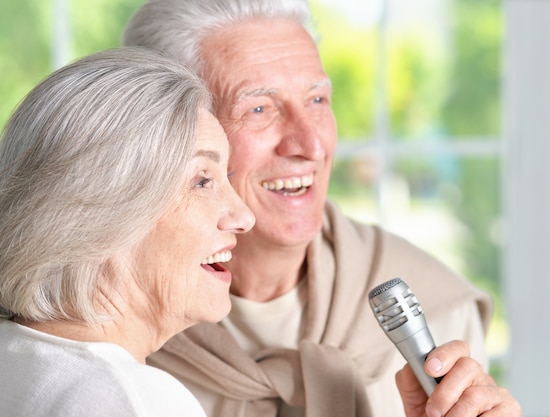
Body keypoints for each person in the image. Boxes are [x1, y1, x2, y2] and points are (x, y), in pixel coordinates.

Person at [123, 1, 521, 416]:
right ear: (165, 134)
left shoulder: (442, 310)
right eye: (258, 109)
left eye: (316, 100)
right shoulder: (109, 322)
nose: (310, 145)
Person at [0, 46, 255, 417]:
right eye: (202, 181)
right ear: (101, 209)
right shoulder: (134, 398)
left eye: (225, 178)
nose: (244, 216)